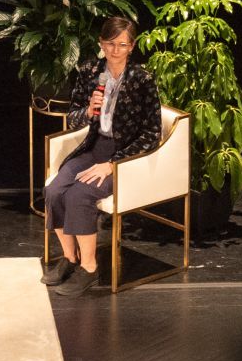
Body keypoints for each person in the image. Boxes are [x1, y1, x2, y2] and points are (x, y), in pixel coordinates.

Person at [42, 16, 163, 296]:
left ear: (132, 47)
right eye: (110, 44)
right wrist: (87, 110)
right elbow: (72, 119)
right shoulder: (89, 71)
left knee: (79, 195)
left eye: (122, 45)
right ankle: (70, 259)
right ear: (101, 43)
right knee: (53, 190)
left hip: (125, 157)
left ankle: (89, 268)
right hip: (94, 147)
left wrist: (112, 164)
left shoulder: (142, 79)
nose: (116, 50)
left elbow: (152, 133)